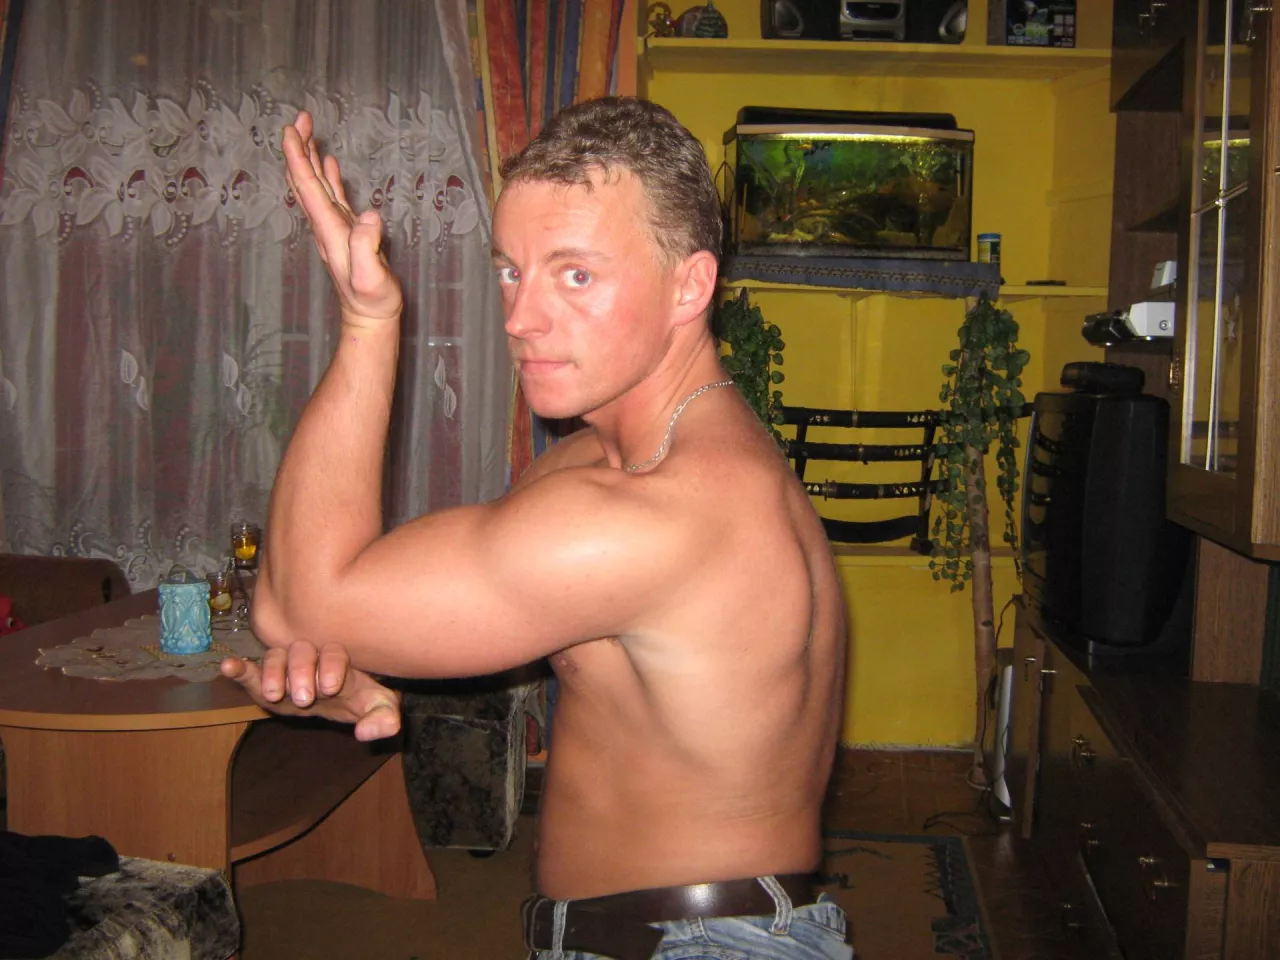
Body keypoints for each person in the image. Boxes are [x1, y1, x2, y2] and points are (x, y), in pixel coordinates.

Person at [221, 96, 852, 960]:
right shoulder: (609, 460)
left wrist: (368, 323)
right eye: (512, 271)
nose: (520, 319)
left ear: (690, 285)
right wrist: (358, 667)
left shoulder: (659, 512)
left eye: (575, 275)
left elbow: (300, 604)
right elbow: (399, 602)